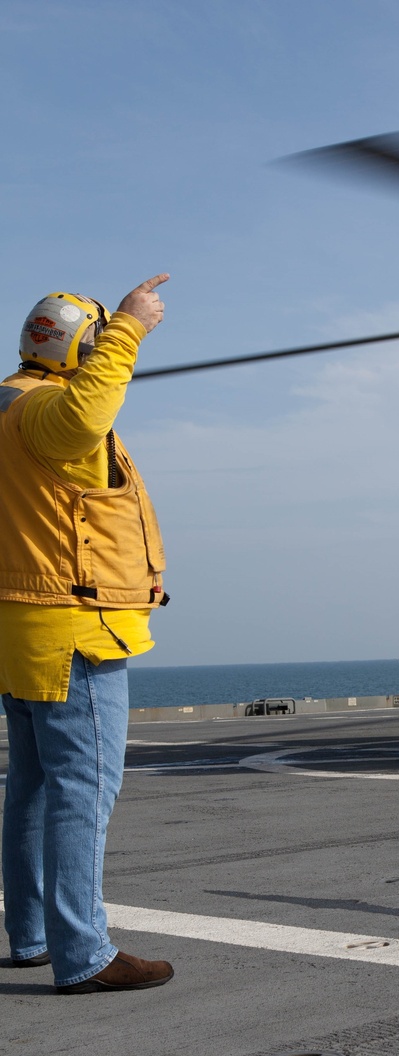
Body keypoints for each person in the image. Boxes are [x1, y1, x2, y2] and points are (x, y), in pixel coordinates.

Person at [0, 277, 175, 994]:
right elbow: (85, 416)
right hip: (76, 627)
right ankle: (85, 954)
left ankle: (33, 935)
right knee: (82, 789)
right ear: (81, 345)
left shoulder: (8, 402)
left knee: (33, 787)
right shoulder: (49, 412)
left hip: (22, 622)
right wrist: (129, 328)